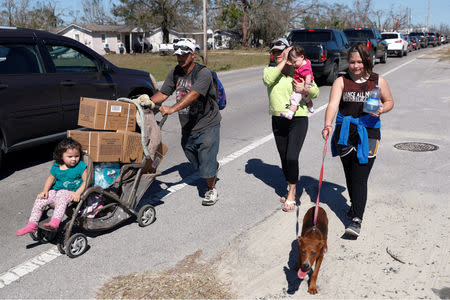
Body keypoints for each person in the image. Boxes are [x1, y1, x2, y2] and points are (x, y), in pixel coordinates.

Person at [322, 43, 394, 237]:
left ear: (367, 60)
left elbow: (390, 102)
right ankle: (355, 206)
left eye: (359, 61)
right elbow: (332, 105)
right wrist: (328, 124)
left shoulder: (377, 80)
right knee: (349, 174)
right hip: (345, 132)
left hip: (369, 132)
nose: (355, 66)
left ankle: (357, 219)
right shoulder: (341, 81)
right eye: (352, 62)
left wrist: (382, 109)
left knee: (360, 176)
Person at [150, 40, 221, 206]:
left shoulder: (203, 73)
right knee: (191, 154)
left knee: (205, 162)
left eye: (184, 54)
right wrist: (144, 103)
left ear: (193, 55)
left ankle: (211, 189)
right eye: (178, 55)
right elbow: (163, 93)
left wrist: (172, 109)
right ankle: (210, 166)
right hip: (188, 125)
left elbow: (194, 94)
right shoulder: (175, 72)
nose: (180, 58)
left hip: (207, 122)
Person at [263, 38, 319, 212]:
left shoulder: (300, 69)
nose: (277, 54)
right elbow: (268, 80)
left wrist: (305, 89)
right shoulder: (270, 70)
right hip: (278, 119)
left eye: (281, 51)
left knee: (292, 157)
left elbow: (315, 92)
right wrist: (282, 61)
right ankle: (290, 186)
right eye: (274, 52)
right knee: (284, 158)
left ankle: (292, 193)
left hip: (298, 118)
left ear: (288, 50)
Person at [16, 138, 88, 235]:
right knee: (40, 200)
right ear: (61, 156)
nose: (74, 159)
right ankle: (31, 225)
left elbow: (86, 180)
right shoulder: (57, 166)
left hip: (71, 192)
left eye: (77, 156)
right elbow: (50, 179)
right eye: (70, 156)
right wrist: (45, 191)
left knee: (61, 199)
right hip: (56, 190)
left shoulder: (80, 166)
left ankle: (54, 223)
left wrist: (78, 193)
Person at [280, 45, 317, 119]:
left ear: (302, 57)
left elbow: (308, 76)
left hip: (305, 84)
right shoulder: (305, 62)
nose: (293, 64)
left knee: (294, 99)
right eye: (292, 62)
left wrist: (305, 87)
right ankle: (311, 108)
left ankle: (290, 114)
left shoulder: (304, 68)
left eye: (295, 62)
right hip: (305, 84)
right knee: (306, 99)